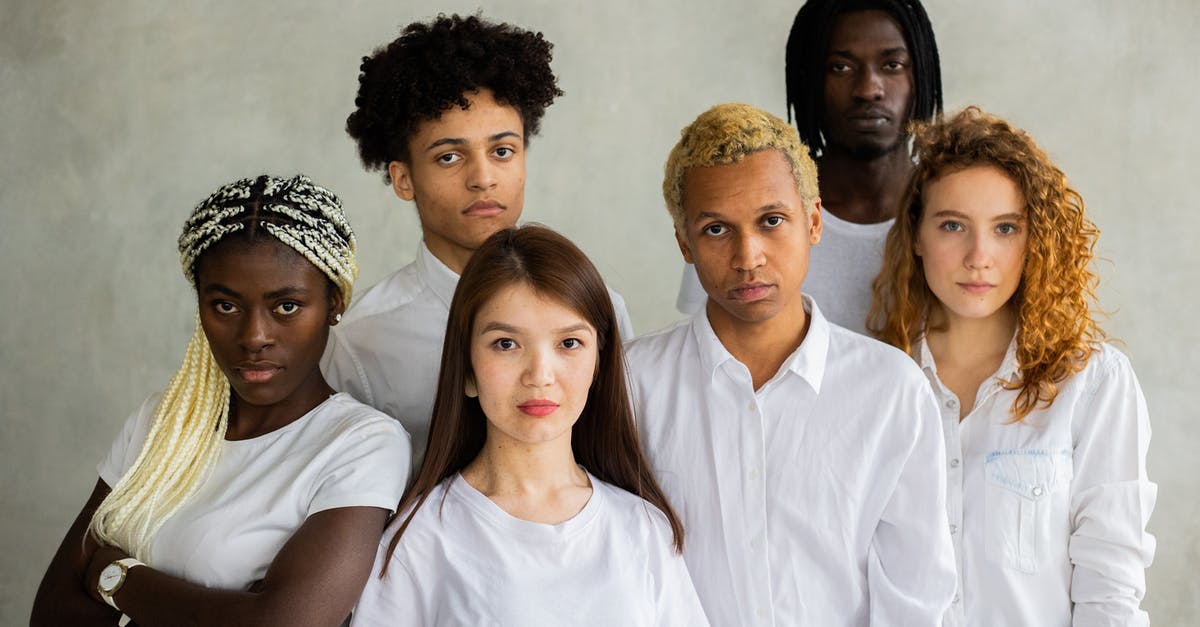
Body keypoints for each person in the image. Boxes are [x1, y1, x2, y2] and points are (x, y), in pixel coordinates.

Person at [626, 103, 955, 626]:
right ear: (684, 243)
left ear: (814, 221)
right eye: (716, 229)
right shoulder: (631, 384)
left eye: (772, 221)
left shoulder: (892, 390)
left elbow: (915, 597)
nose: (748, 256)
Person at [31, 175, 411, 627]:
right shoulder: (161, 422)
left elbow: (282, 624)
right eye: (226, 306)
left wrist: (114, 577)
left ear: (333, 303)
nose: (254, 336)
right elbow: (52, 612)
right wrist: (233, 609)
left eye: (286, 306)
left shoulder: (361, 444)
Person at [868, 107, 1157, 626]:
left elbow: (1110, 587)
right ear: (915, 235)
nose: (979, 256)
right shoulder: (874, 381)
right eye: (953, 225)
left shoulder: (1092, 384)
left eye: (1005, 228)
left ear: (1034, 239)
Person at [352, 225, 708, 627]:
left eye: (569, 343)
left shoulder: (643, 529)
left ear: (599, 364)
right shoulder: (418, 540)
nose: (540, 375)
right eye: (506, 344)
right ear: (467, 370)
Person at [324, 14, 634, 468]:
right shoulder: (360, 340)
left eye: (502, 151)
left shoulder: (595, 309)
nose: (483, 178)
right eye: (449, 157)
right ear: (404, 178)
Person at [675, 0, 941, 336]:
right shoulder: (749, 208)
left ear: (922, 74)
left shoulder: (958, 214)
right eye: (840, 67)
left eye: (892, 65)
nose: (868, 89)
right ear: (809, 80)